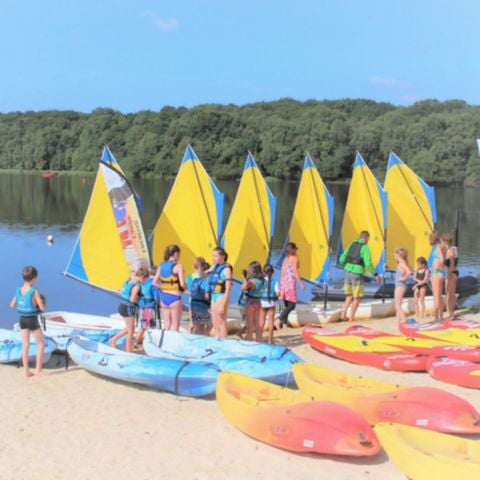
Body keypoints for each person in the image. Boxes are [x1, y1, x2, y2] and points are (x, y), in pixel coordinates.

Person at [10, 265, 46, 377]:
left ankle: (26, 371)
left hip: (22, 320)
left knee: (25, 344)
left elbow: (12, 305)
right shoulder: (34, 291)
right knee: (41, 344)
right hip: (32, 320)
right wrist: (40, 302)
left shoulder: (18, 290)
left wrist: (22, 305)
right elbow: (42, 308)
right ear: (34, 278)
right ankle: (38, 370)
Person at [339, 231, 381, 322]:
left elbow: (342, 258)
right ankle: (351, 318)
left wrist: (346, 266)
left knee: (349, 295)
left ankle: (343, 314)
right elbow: (368, 263)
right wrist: (375, 274)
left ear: (360, 237)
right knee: (357, 297)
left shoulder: (351, 245)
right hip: (357, 273)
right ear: (367, 238)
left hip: (347, 271)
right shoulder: (365, 248)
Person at [110, 266, 149, 352]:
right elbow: (132, 299)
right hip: (128, 308)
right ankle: (129, 350)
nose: (145, 282)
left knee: (129, 328)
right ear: (142, 276)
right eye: (145, 280)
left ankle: (113, 339)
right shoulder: (137, 286)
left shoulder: (129, 280)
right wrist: (139, 298)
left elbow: (122, 291)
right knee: (131, 330)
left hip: (122, 306)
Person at [153, 245, 186, 331]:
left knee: (167, 325)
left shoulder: (161, 266)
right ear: (175, 254)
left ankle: (165, 339)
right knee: (175, 325)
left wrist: (163, 287)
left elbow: (154, 282)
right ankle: (174, 340)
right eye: (179, 254)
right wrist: (186, 289)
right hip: (174, 298)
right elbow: (182, 284)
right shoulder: (179, 266)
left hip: (164, 298)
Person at [275, 242, 304, 329]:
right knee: (292, 305)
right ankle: (278, 320)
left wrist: (281, 286)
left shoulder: (285, 259)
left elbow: (282, 273)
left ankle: (284, 324)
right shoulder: (294, 258)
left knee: (287, 305)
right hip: (290, 284)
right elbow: (295, 271)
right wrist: (301, 283)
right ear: (293, 250)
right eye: (296, 249)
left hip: (283, 284)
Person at [208, 247, 233, 338]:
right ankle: (217, 339)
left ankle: (223, 341)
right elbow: (204, 273)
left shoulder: (227, 269)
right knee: (215, 323)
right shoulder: (214, 267)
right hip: (213, 296)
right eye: (213, 256)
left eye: (216, 256)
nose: (213, 258)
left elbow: (228, 289)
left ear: (222, 256)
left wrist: (223, 304)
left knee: (222, 322)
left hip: (221, 297)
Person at [186, 258, 212, 335]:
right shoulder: (206, 281)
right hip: (201, 306)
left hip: (193, 305)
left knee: (197, 325)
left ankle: (197, 337)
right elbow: (206, 296)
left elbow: (190, 291)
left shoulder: (195, 280)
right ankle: (200, 337)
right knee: (210, 325)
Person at [134, 266, 158, 349]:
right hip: (146, 308)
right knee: (147, 326)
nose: (138, 280)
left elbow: (156, 297)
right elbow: (156, 298)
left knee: (145, 326)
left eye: (138, 278)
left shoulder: (150, 284)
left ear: (142, 276)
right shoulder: (144, 284)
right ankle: (139, 342)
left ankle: (137, 341)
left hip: (146, 307)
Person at [241, 261, 265, 341]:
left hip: (250, 302)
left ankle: (250, 341)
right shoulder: (261, 281)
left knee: (250, 325)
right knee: (257, 324)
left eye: (249, 271)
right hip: (258, 302)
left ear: (253, 272)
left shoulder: (252, 281)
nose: (248, 272)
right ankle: (259, 341)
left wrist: (245, 278)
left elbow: (244, 287)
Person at [259, 264, 279, 344]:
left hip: (262, 303)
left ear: (264, 272)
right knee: (271, 323)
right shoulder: (275, 282)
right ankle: (270, 341)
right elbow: (278, 293)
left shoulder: (261, 281)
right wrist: (277, 297)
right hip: (271, 304)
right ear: (272, 272)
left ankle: (259, 340)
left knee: (261, 322)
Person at [441, 232, 459, 317]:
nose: (441, 243)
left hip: (451, 273)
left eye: (442, 241)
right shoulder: (453, 249)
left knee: (448, 294)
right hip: (454, 273)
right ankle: (451, 312)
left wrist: (448, 274)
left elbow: (452, 263)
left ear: (445, 241)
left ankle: (450, 313)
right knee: (451, 294)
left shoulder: (450, 251)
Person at [429, 230, 445, 321]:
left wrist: (436, 268)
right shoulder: (439, 247)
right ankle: (440, 316)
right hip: (438, 273)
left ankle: (437, 317)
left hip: (436, 273)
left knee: (436, 295)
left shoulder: (438, 247)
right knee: (439, 295)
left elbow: (442, 260)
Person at [393, 248, 412, 324]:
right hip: (401, 285)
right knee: (398, 305)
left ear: (398, 255)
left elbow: (409, 272)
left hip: (400, 285)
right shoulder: (403, 262)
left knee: (397, 305)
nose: (394, 256)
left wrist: (403, 278)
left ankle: (403, 319)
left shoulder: (402, 263)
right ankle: (398, 323)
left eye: (395, 255)